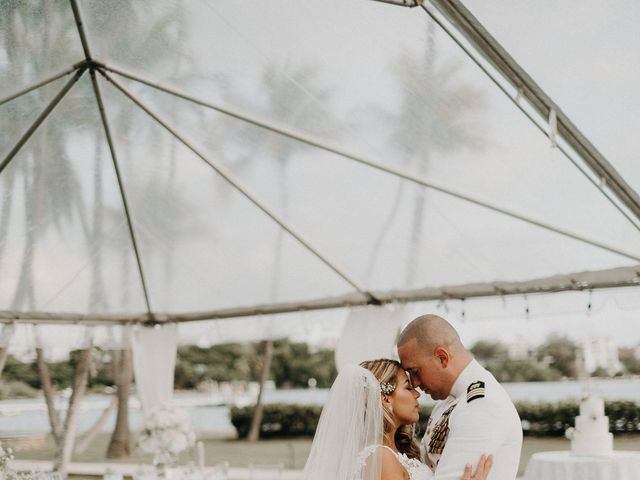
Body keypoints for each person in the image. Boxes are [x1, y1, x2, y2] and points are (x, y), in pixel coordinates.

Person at [302, 358, 493, 480]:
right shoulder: (381, 457)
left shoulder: (393, 453)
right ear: (385, 398)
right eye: (408, 388)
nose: (417, 395)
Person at [397, 315, 523, 480]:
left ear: (442, 358)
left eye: (415, 371)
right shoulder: (449, 400)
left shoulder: (481, 405)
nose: (414, 383)